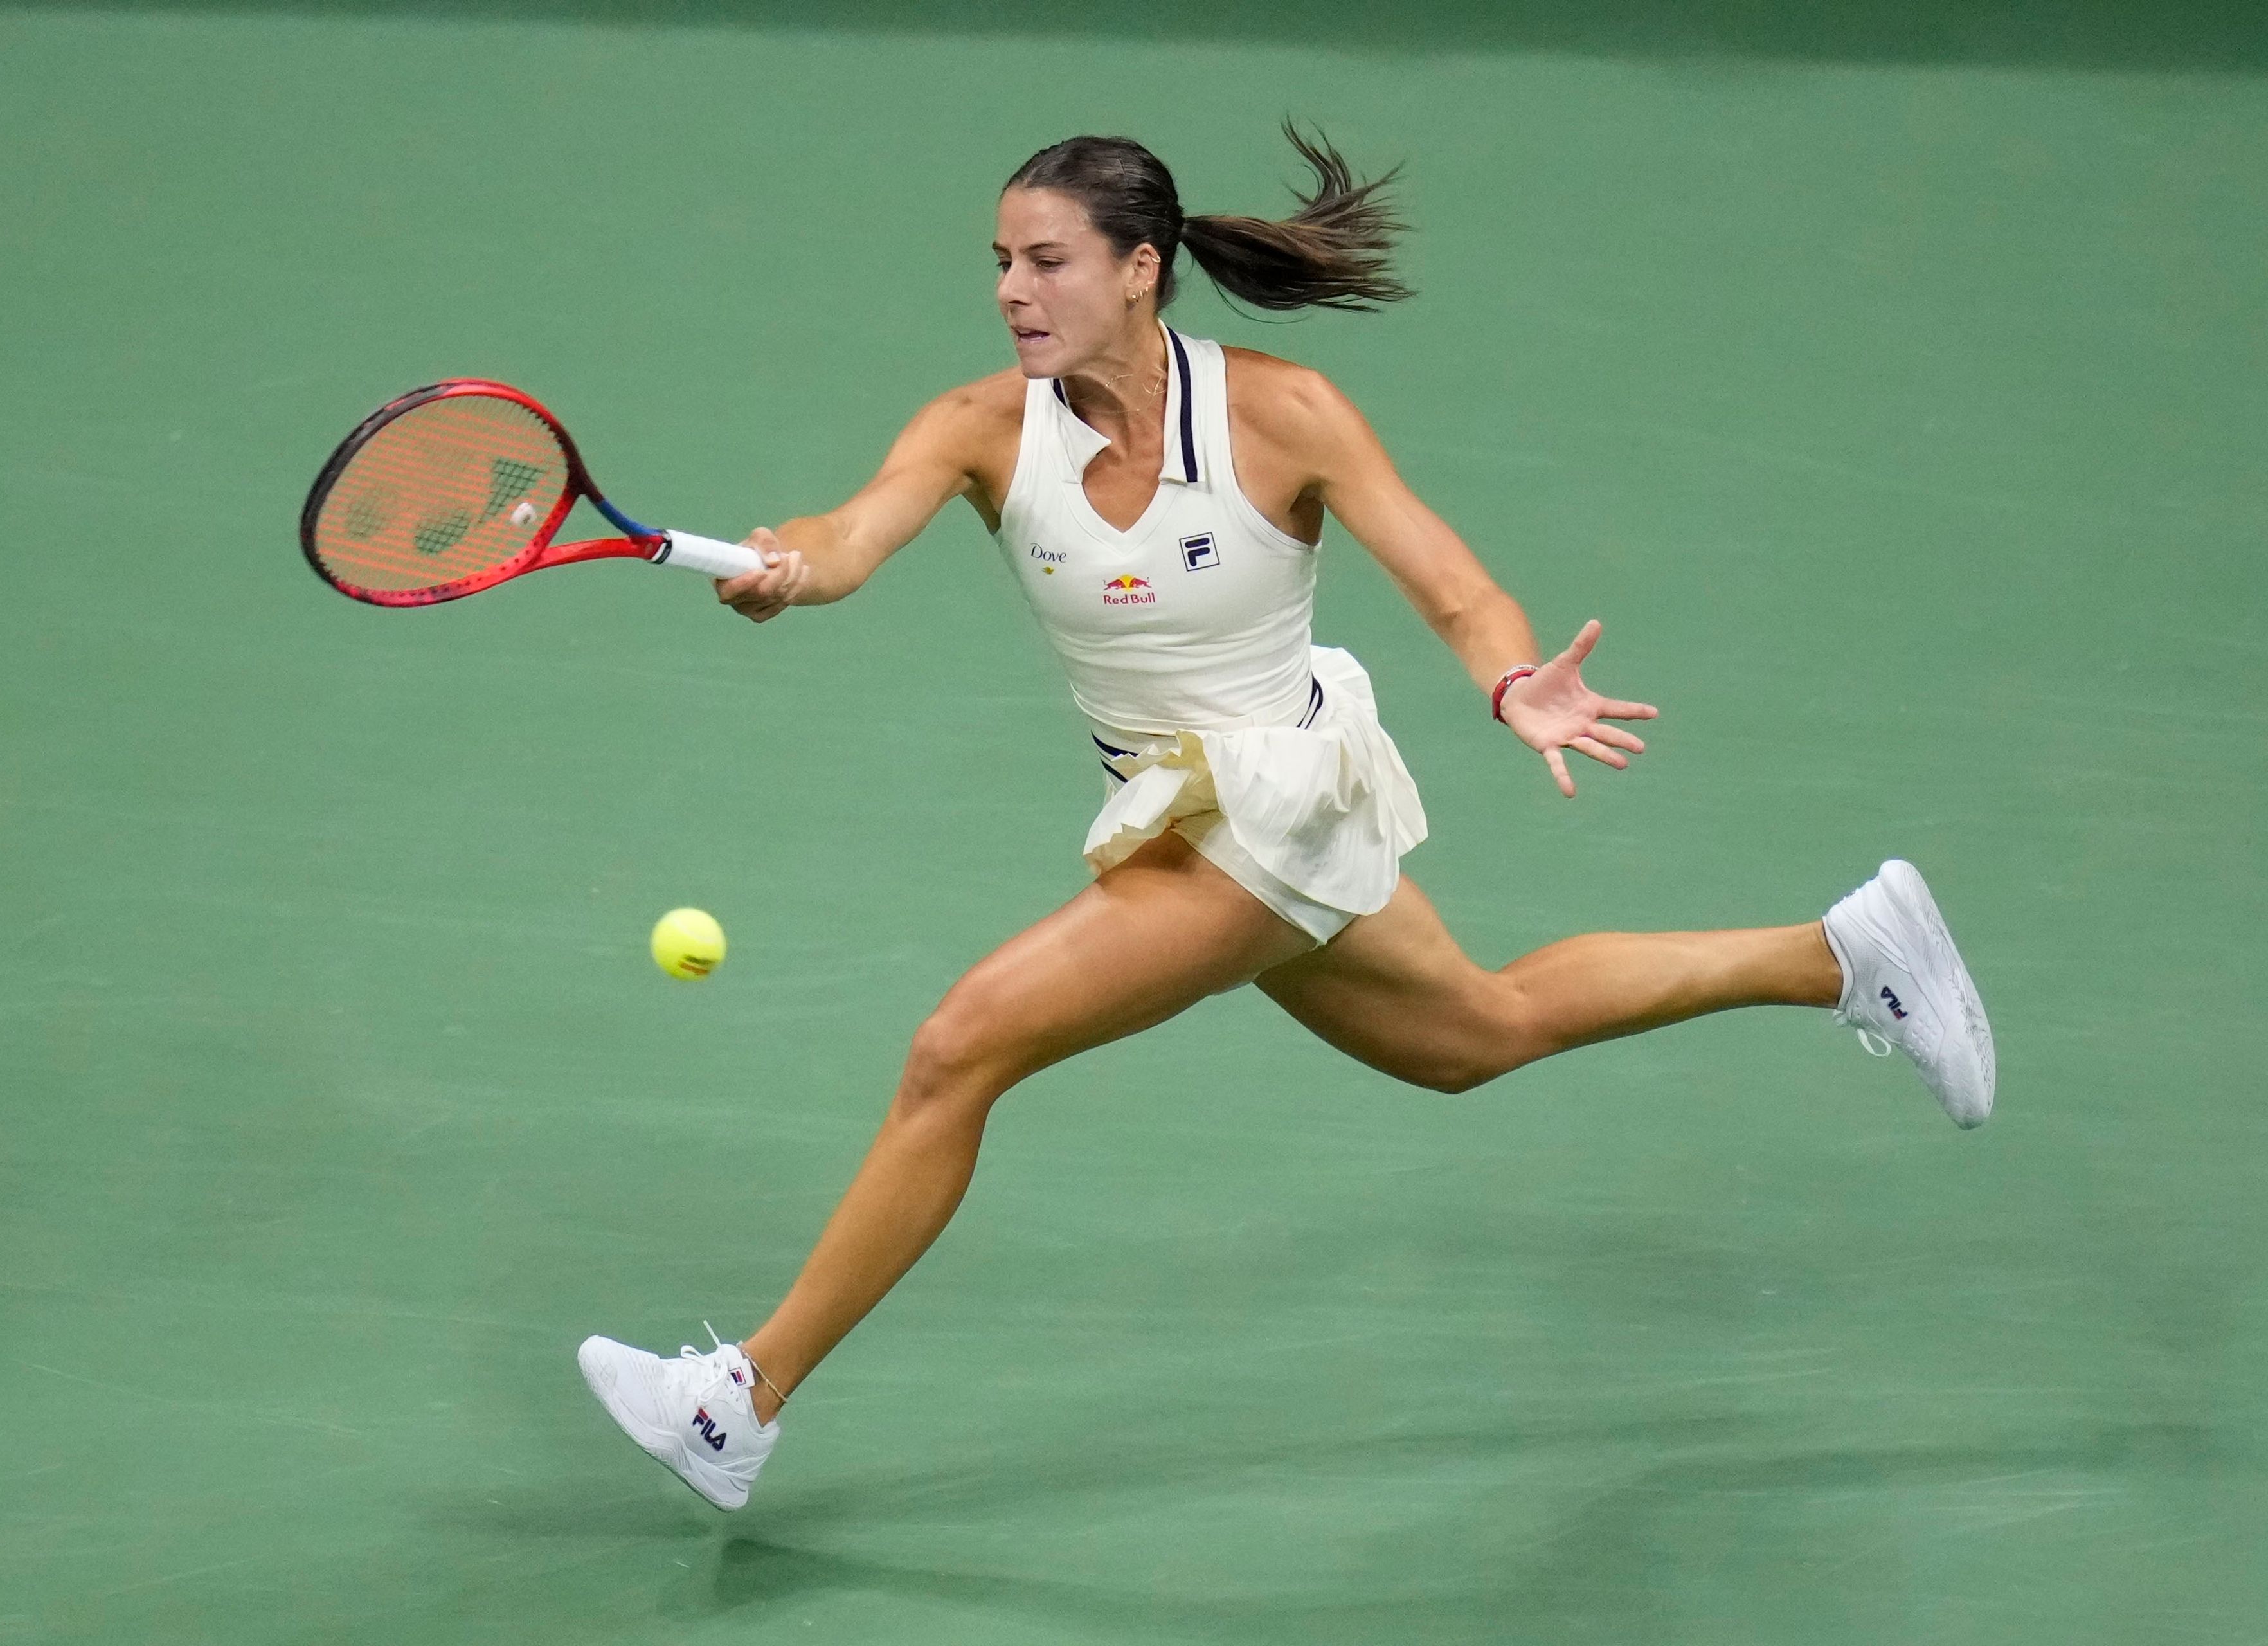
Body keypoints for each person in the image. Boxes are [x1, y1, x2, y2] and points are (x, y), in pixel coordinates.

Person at [577, 126, 1995, 1512]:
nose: (1013, 290)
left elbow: (1449, 582)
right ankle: (1844, 950)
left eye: (1048, 260)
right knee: (1475, 1034)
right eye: (1001, 261)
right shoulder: (977, 431)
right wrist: (786, 566)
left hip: (1280, 792)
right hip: (1177, 805)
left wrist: (1513, 682)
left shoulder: (1279, 414)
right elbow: (850, 533)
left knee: (958, 1047)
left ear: (1141, 268)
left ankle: (738, 1404)